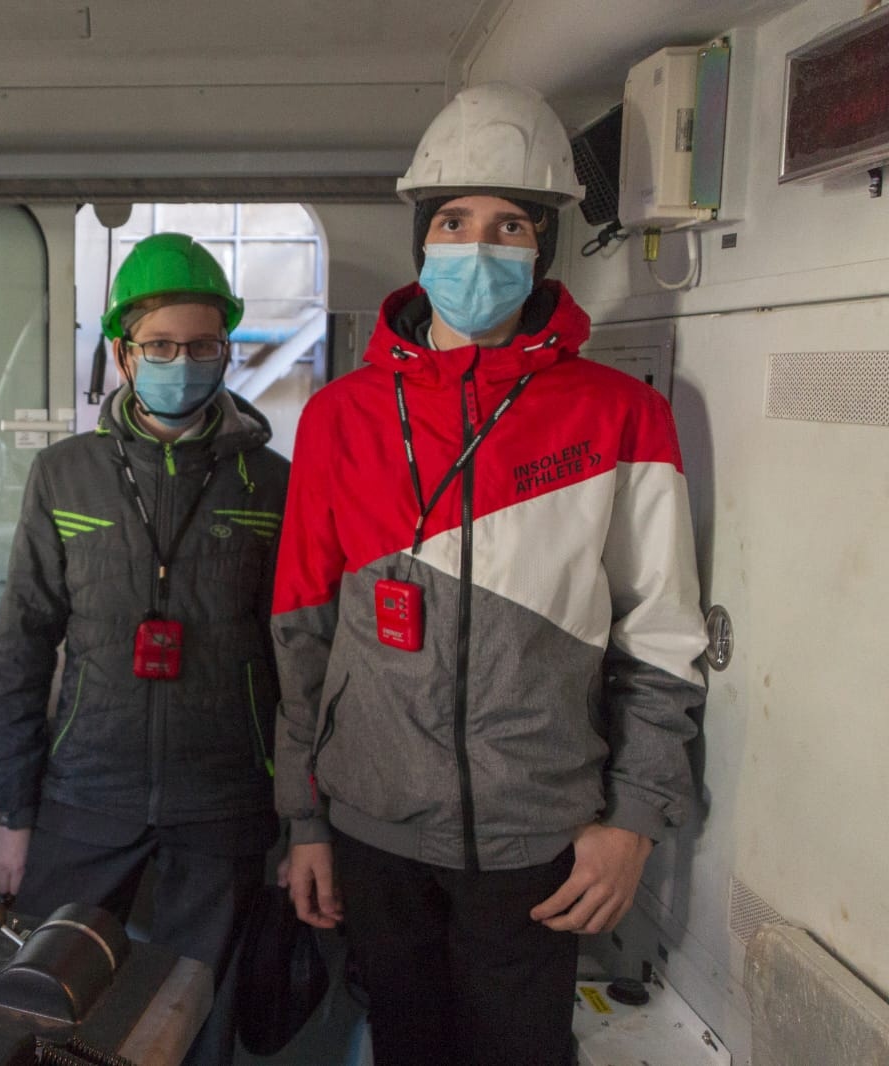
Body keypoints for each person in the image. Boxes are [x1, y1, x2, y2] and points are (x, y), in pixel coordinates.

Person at [272, 82, 708, 1065]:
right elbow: (300, 632)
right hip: (372, 832)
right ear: (422, 239)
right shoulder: (339, 416)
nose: (478, 249)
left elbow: (662, 640)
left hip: (539, 842)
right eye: (455, 222)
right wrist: (304, 819)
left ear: (543, 245)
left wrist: (633, 822)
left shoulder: (622, 416)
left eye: (510, 225)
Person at [0, 232, 290, 1066]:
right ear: (122, 354)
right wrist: (9, 814)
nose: (181, 364)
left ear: (226, 351)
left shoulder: (272, 483)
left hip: (223, 802)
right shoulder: (64, 475)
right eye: (160, 346)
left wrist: (304, 822)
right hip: (85, 792)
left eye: (201, 346)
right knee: (47, 1020)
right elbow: (21, 649)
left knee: (198, 1029)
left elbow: (301, 665)